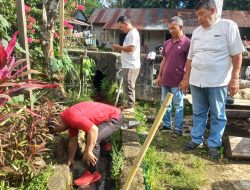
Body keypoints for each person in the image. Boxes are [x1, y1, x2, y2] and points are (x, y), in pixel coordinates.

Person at [180, 0, 245, 158]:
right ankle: (196, 139)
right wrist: (186, 79)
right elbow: (190, 58)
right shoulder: (196, 32)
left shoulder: (228, 26)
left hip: (218, 81)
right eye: (197, 15)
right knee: (198, 112)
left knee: (217, 114)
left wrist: (235, 78)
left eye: (201, 14)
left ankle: (214, 145)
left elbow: (237, 54)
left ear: (213, 10)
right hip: (197, 80)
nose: (199, 18)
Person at [47, 101, 123, 186]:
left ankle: (92, 173)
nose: (61, 131)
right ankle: (105, 146)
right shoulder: (68, 119)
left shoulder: (71, 117)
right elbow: (73, 140)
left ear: (58, 125)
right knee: (90, 135)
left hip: (114, 117)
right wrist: (70, 159)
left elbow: (94, 130)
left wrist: (88, 151)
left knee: (94, 137)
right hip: (106, 117)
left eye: (58, 131)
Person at [155, 16, 190, 137]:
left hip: (178, 81)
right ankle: (166, 125)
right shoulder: (167, 42)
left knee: (178, 106)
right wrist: (159, 76)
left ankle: (178, 129)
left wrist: (185, 79)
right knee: (165, 104)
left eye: (173, 28)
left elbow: (189, 62)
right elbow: (164, 60)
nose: (171, 31)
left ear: (181, 27)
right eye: (169, 28)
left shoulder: (187, 43)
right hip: (165, 80)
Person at [112, 15, 141, 114]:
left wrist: (119, 47)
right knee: (127, 85)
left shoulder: (133, 33)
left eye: (121, 26)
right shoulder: (130, 33)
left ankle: (131, 106)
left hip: (131, 65)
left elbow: (131, 49)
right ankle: (129, 104)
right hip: (128, 65)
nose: (121, 29)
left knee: (129, 85)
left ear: (126, 24)